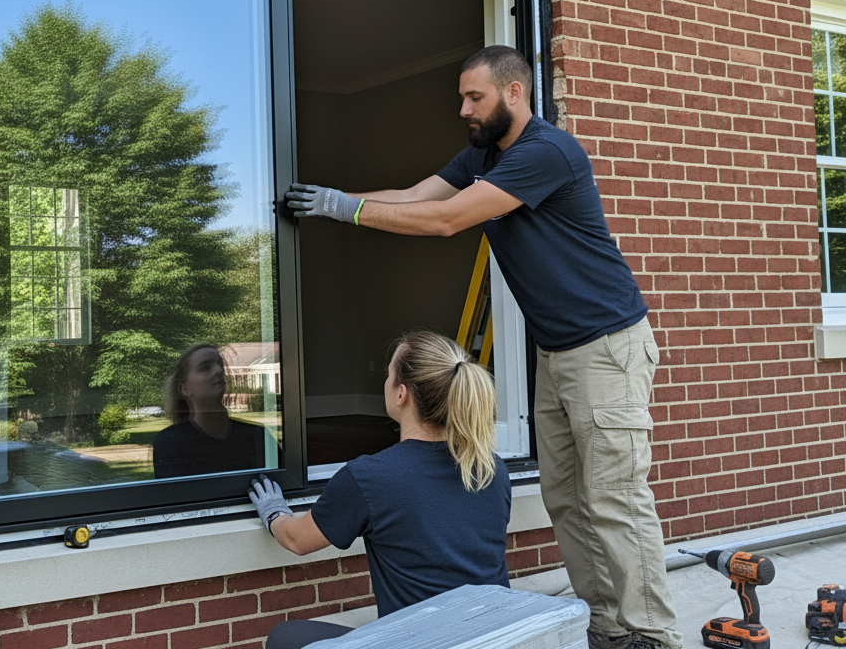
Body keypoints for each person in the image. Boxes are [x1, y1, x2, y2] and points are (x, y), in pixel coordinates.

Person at [283, 45, 679, 649]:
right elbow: (419, 195)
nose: (465, 109)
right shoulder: (483, 155)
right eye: (462, 98)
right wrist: (337, 202)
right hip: (556, 352)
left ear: (514, 92)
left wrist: (350, 210)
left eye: (476, 97)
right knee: (567, 500)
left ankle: (653, 635)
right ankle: (607, 628)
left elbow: (447, 220)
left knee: (615, 499)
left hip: (606, 348)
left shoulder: (546, 152)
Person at [248, 331, 510, 649]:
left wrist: (274, 510)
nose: (385, 382)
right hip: (495, 640)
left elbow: (296, 539)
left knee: (285, 637)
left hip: (419, 644)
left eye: (388, 374)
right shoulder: (492, 469)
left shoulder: (371, 478)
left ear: (401, 394)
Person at [153, 344, 276, 478]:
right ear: (185, 389)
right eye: (205, 368)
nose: (219, 371)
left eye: (220, 365)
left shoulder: (258, 436)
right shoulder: (170, 442)